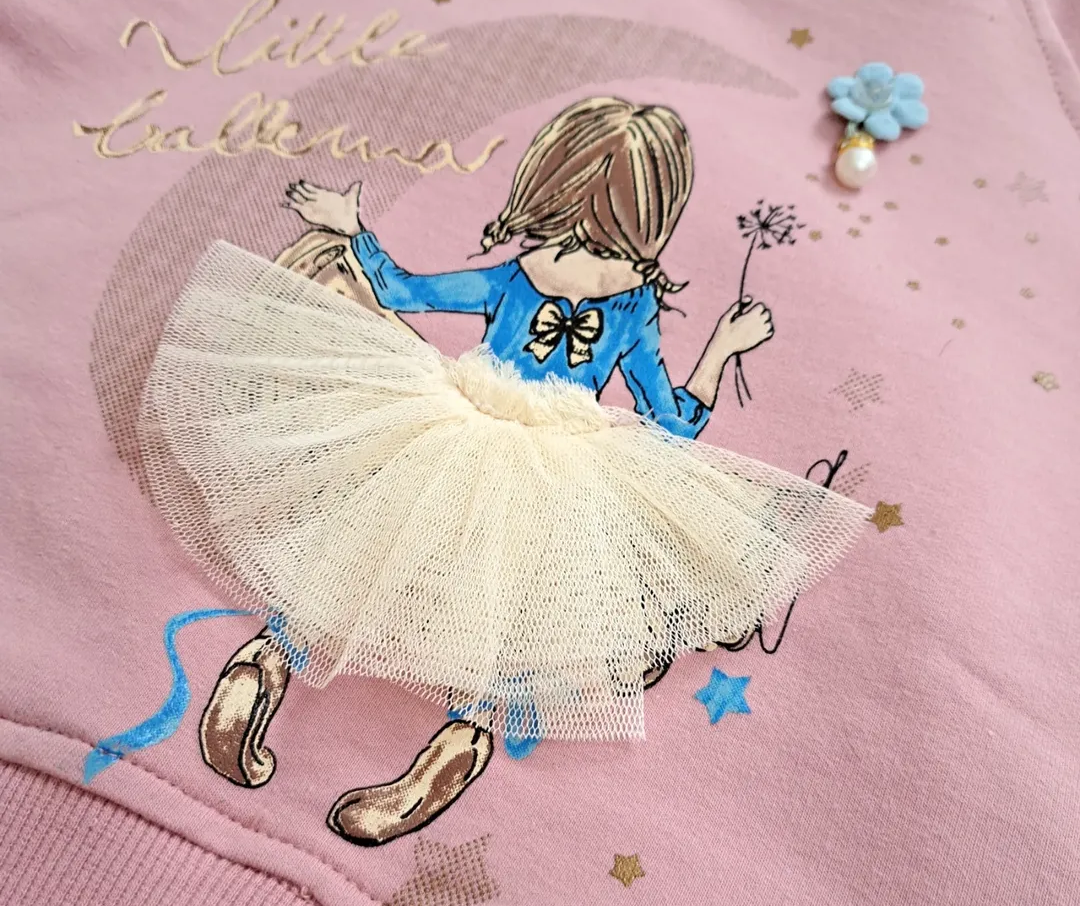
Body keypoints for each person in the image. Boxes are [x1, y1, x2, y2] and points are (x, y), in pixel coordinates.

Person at [157, 96, 862, 846]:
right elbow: (671, 425)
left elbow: (402, 292)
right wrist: (721, 347)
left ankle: (268, 660)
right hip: (559, 472)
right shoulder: (633, 310)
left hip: (450, 428)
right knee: (521, 614)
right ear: (656, 209)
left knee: (371, 550)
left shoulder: (518, 274)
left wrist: (354, 228)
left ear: (552, 181)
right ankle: (456, 743)